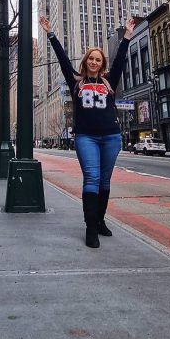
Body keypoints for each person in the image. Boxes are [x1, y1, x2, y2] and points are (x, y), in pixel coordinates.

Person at [39, 14, 135, 248]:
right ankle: (90, 228)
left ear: (102, 63)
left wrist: (127, 37)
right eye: (91, 59)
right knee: (91, 179)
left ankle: (100, 220)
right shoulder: (75, 81)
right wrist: (51, 34)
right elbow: (62, 60)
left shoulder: (109, 81)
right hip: (86, 138)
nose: (94, 62)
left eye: (98, 59)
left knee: (104, 181)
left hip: (111, 137)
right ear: (86, 62)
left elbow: (121, 59)